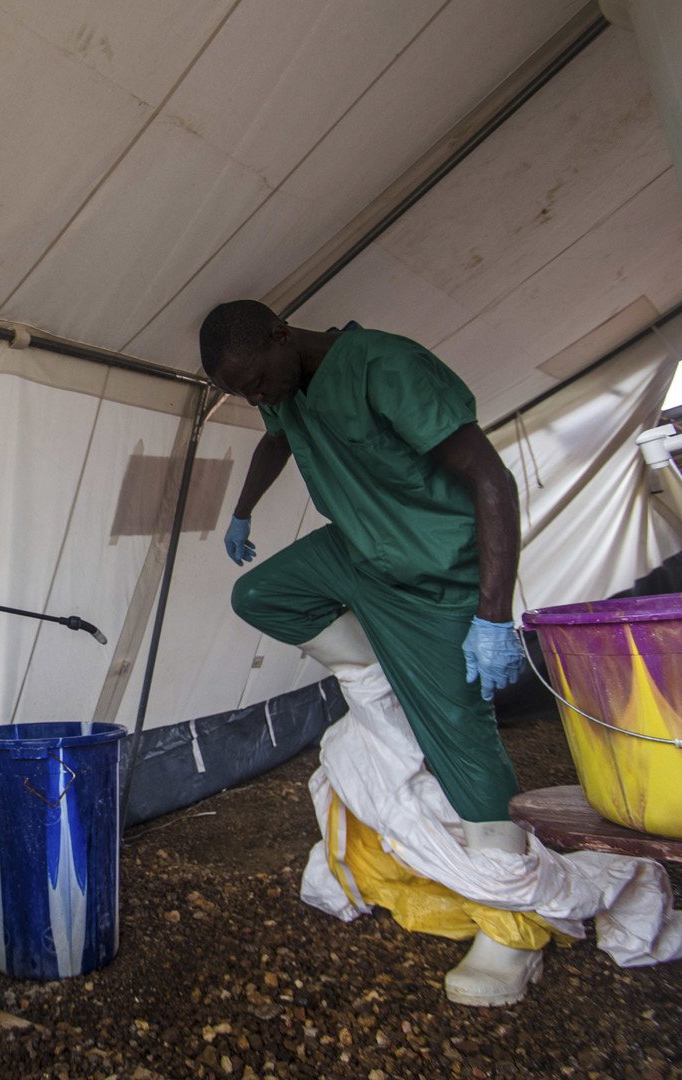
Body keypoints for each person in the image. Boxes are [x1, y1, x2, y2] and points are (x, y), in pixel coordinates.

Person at [199, 299, 537, 1006]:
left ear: (282, 334)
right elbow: (275, 441)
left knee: (462, 738)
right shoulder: (285, 387)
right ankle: (377, 672)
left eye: (255, 384)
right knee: (262, 595)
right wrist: (241, 510)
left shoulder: (385, 366)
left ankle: (512, 931)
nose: (258, 399)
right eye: (243, 394)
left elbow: (492, 481)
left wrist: (493, 615)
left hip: (435, 576)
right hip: (359, 554)